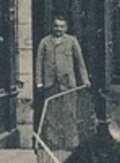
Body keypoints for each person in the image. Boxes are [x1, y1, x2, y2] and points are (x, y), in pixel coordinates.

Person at [35, 15, 90, 150]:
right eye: (56, 26)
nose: (58, 29)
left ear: (65, 28)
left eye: (61, 26)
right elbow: (38, 63)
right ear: (52, 27)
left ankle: (71, 143)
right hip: (50, 83)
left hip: (68, 84)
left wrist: (85, 80)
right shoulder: (45, 42)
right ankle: (53, 143)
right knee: (51, 114)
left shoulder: (71, 41)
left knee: (69, 113)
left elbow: (80, 63)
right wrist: (39, 82)